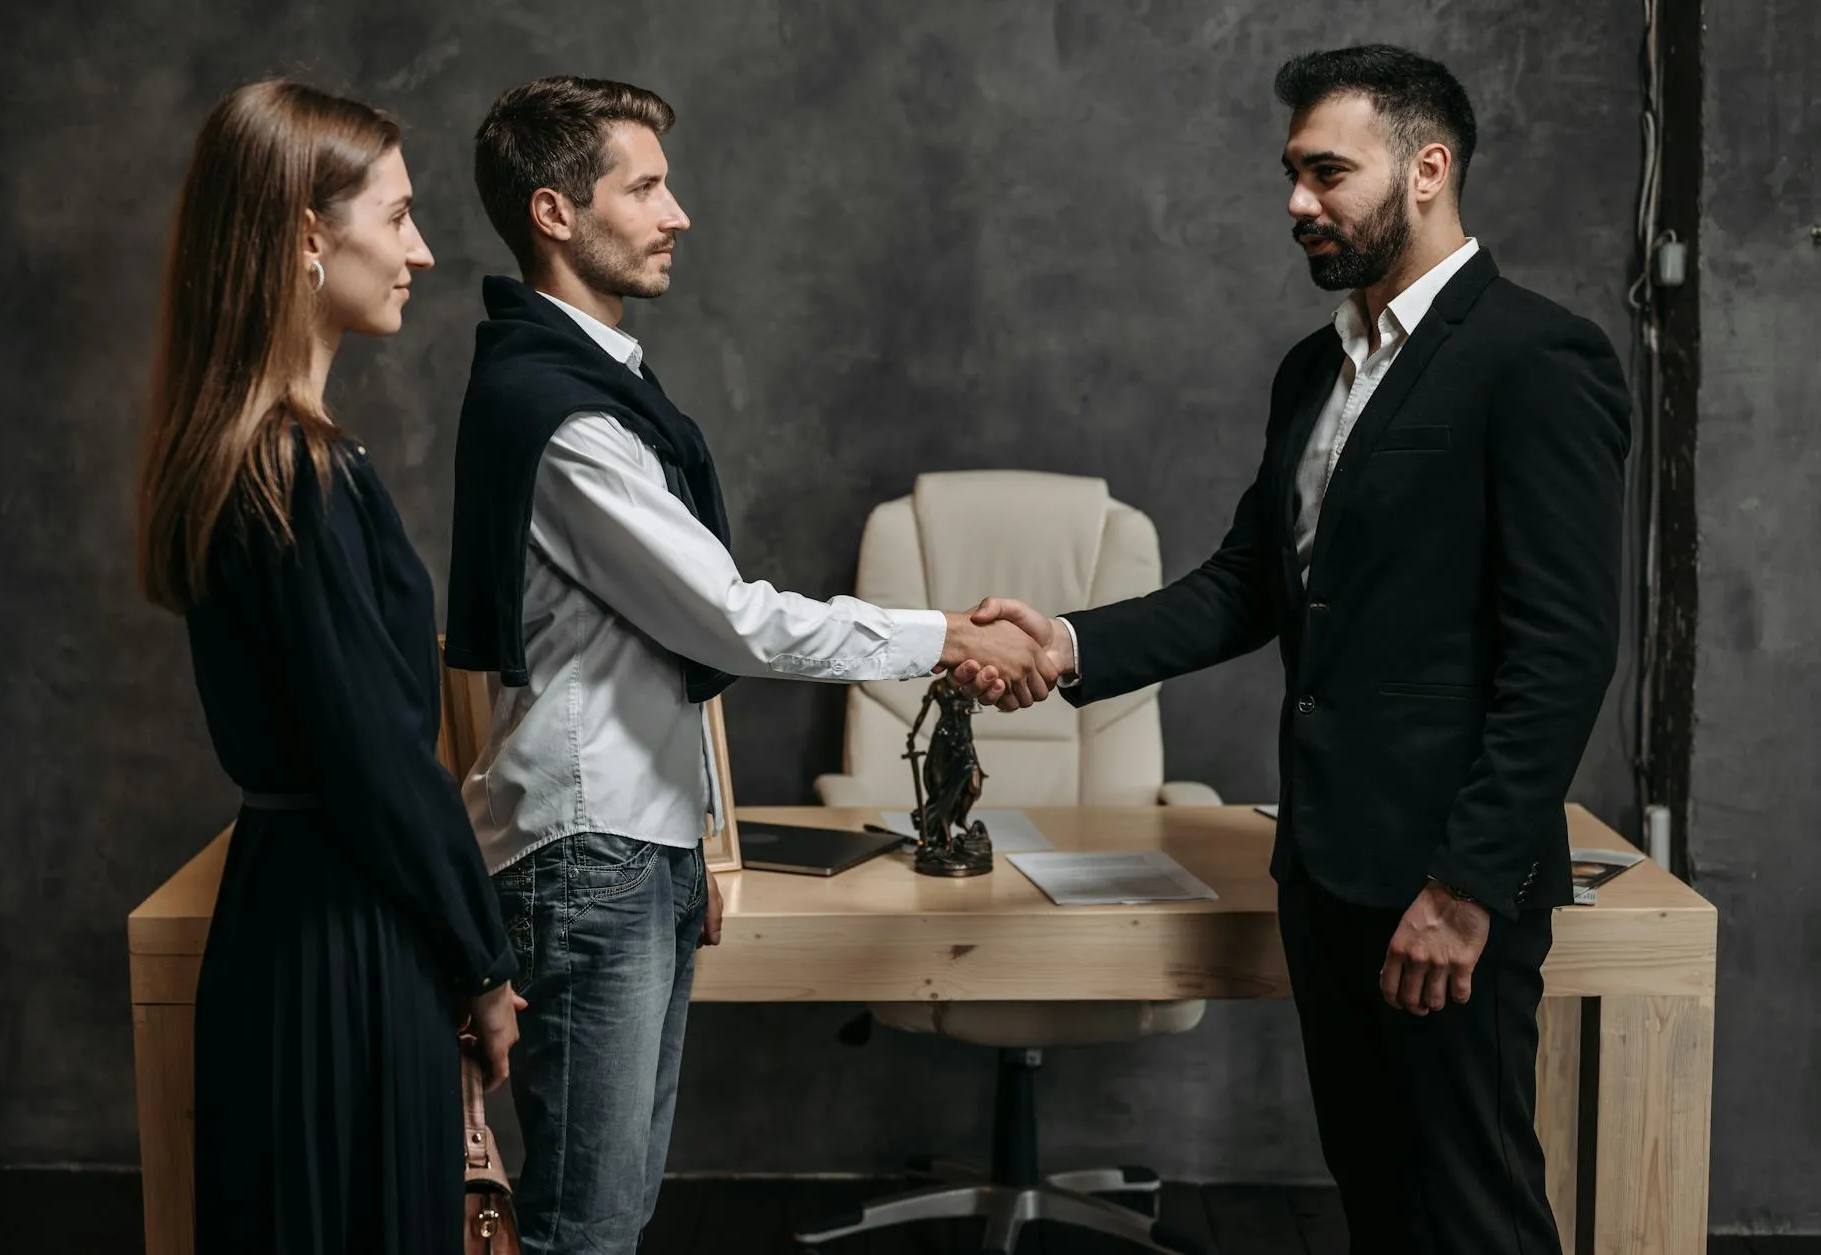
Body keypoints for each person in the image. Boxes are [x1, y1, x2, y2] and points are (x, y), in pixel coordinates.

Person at [956, 45, 1631, 1255]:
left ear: (1425, 171)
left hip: (1440, 881)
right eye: (1289, 173)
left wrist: (1465, 887)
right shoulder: (1312, 370)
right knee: (1377, 1198)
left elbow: (1563, 650)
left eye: (1326, 173)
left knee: (1471, 1213)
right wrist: (1061, 642)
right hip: (1324, 874)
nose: (1295, 203)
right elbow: (1247, 587)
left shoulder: (1535, 358)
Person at [443, 76, 1056, 1254]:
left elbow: (641, 649)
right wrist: (943, 635)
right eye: (645, 186)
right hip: (590, 854)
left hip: (629, 842)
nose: (677, 214)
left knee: (610, 1209)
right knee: (586, 1224)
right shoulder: (563, 417)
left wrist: (693, 836)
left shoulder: (589, 383)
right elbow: (728, 623)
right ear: (553, 214)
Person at [134, 79, 523, 1255]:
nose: (424, 249)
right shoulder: (302, 469)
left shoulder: (231, 453)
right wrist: (485, 964)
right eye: (397, 216)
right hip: (349, 942)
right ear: (310, 234)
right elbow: (384, 765)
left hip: (282, 915)